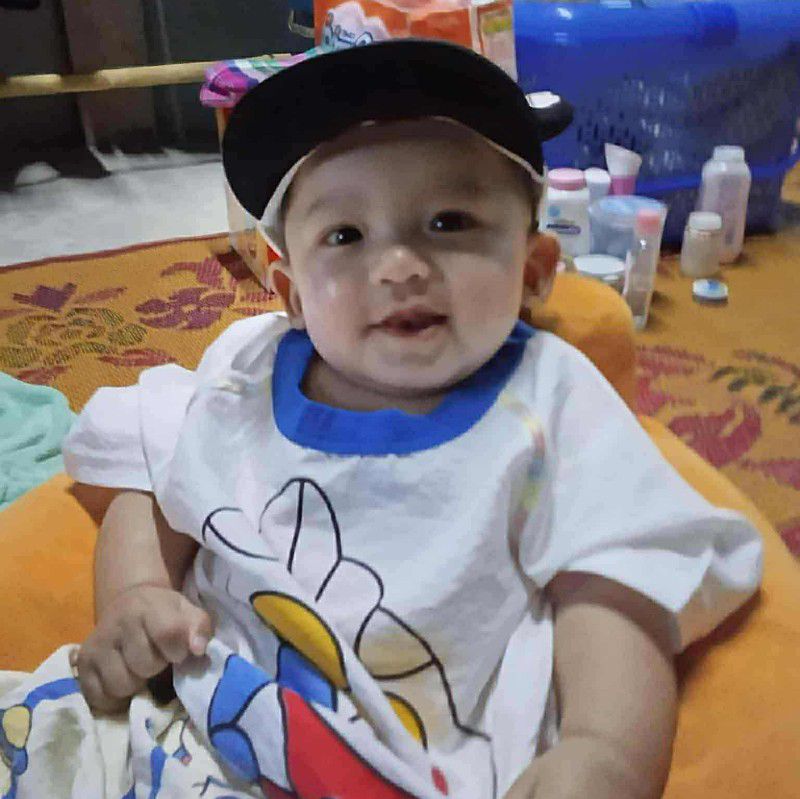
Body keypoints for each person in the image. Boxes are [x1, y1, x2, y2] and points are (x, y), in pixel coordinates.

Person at [61, 40, 762, 799]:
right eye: (345, 236)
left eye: (448, 221)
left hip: (414, 758)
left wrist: (604, 749)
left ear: (532, 270)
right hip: (201, 722)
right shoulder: (244, 373)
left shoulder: (547, 399)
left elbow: (618, 577)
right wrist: (134, 594)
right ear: (291, 294)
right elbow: (151, 462)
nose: (397, 265)